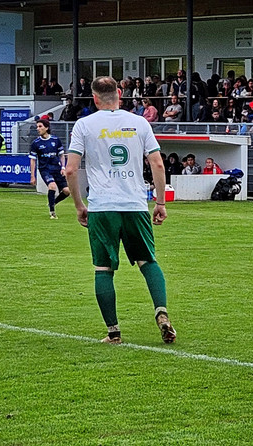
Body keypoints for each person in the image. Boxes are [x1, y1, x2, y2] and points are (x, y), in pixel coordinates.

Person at [65, 76, 176, 345]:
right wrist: (160, 202)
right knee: (148, 261)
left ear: (94, 98)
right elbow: (157, 164)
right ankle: (161, 312)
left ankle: (114, 333)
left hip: (102, 206)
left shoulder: (84, 125)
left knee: (103, 269)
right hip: (135, 204)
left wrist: (79, 206)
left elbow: (70, 170)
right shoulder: (139, 123)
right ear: (119, 94)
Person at [29, 118, 70, 219]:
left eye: (40, 126)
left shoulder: (55, 140)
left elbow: (61, 155)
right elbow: (33, 160)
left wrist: (63, 167)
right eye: (37, 127)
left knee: (67, 191)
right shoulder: (36, 143)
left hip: (56, 168)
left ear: (46, 128)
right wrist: (32, 176)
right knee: (52, 186)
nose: (38, 129)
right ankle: (52, 212)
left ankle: (52, 203)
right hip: (45, 169)